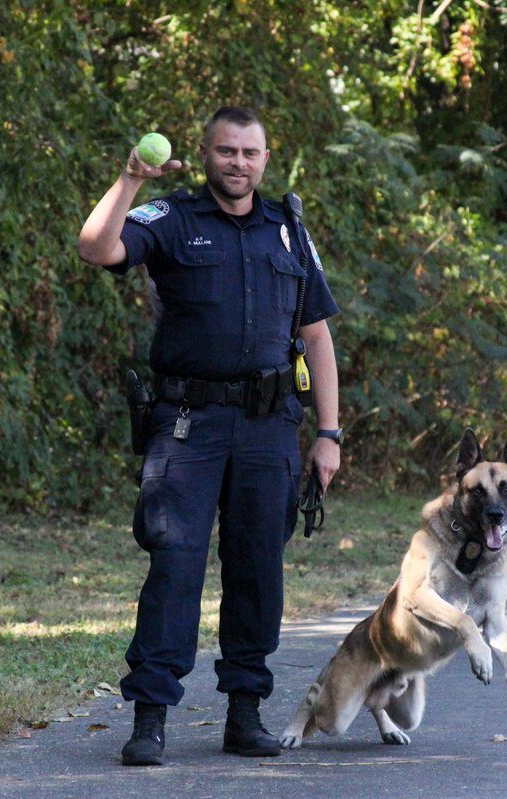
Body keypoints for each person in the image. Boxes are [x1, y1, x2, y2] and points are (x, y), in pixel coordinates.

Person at [77, 106, 342, 766]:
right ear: (205, 154)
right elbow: (96, 247)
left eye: (250, 153)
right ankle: (150, 716)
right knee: (175, 560)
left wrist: (330, 432)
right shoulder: (172, 219)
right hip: (188, 424)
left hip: (270, 426)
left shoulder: (288, 229)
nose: (238, 163)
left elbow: (317, 335)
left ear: (266, 158)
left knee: (258, 567)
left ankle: (244, 712)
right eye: (226, 151)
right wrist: (130, 180)